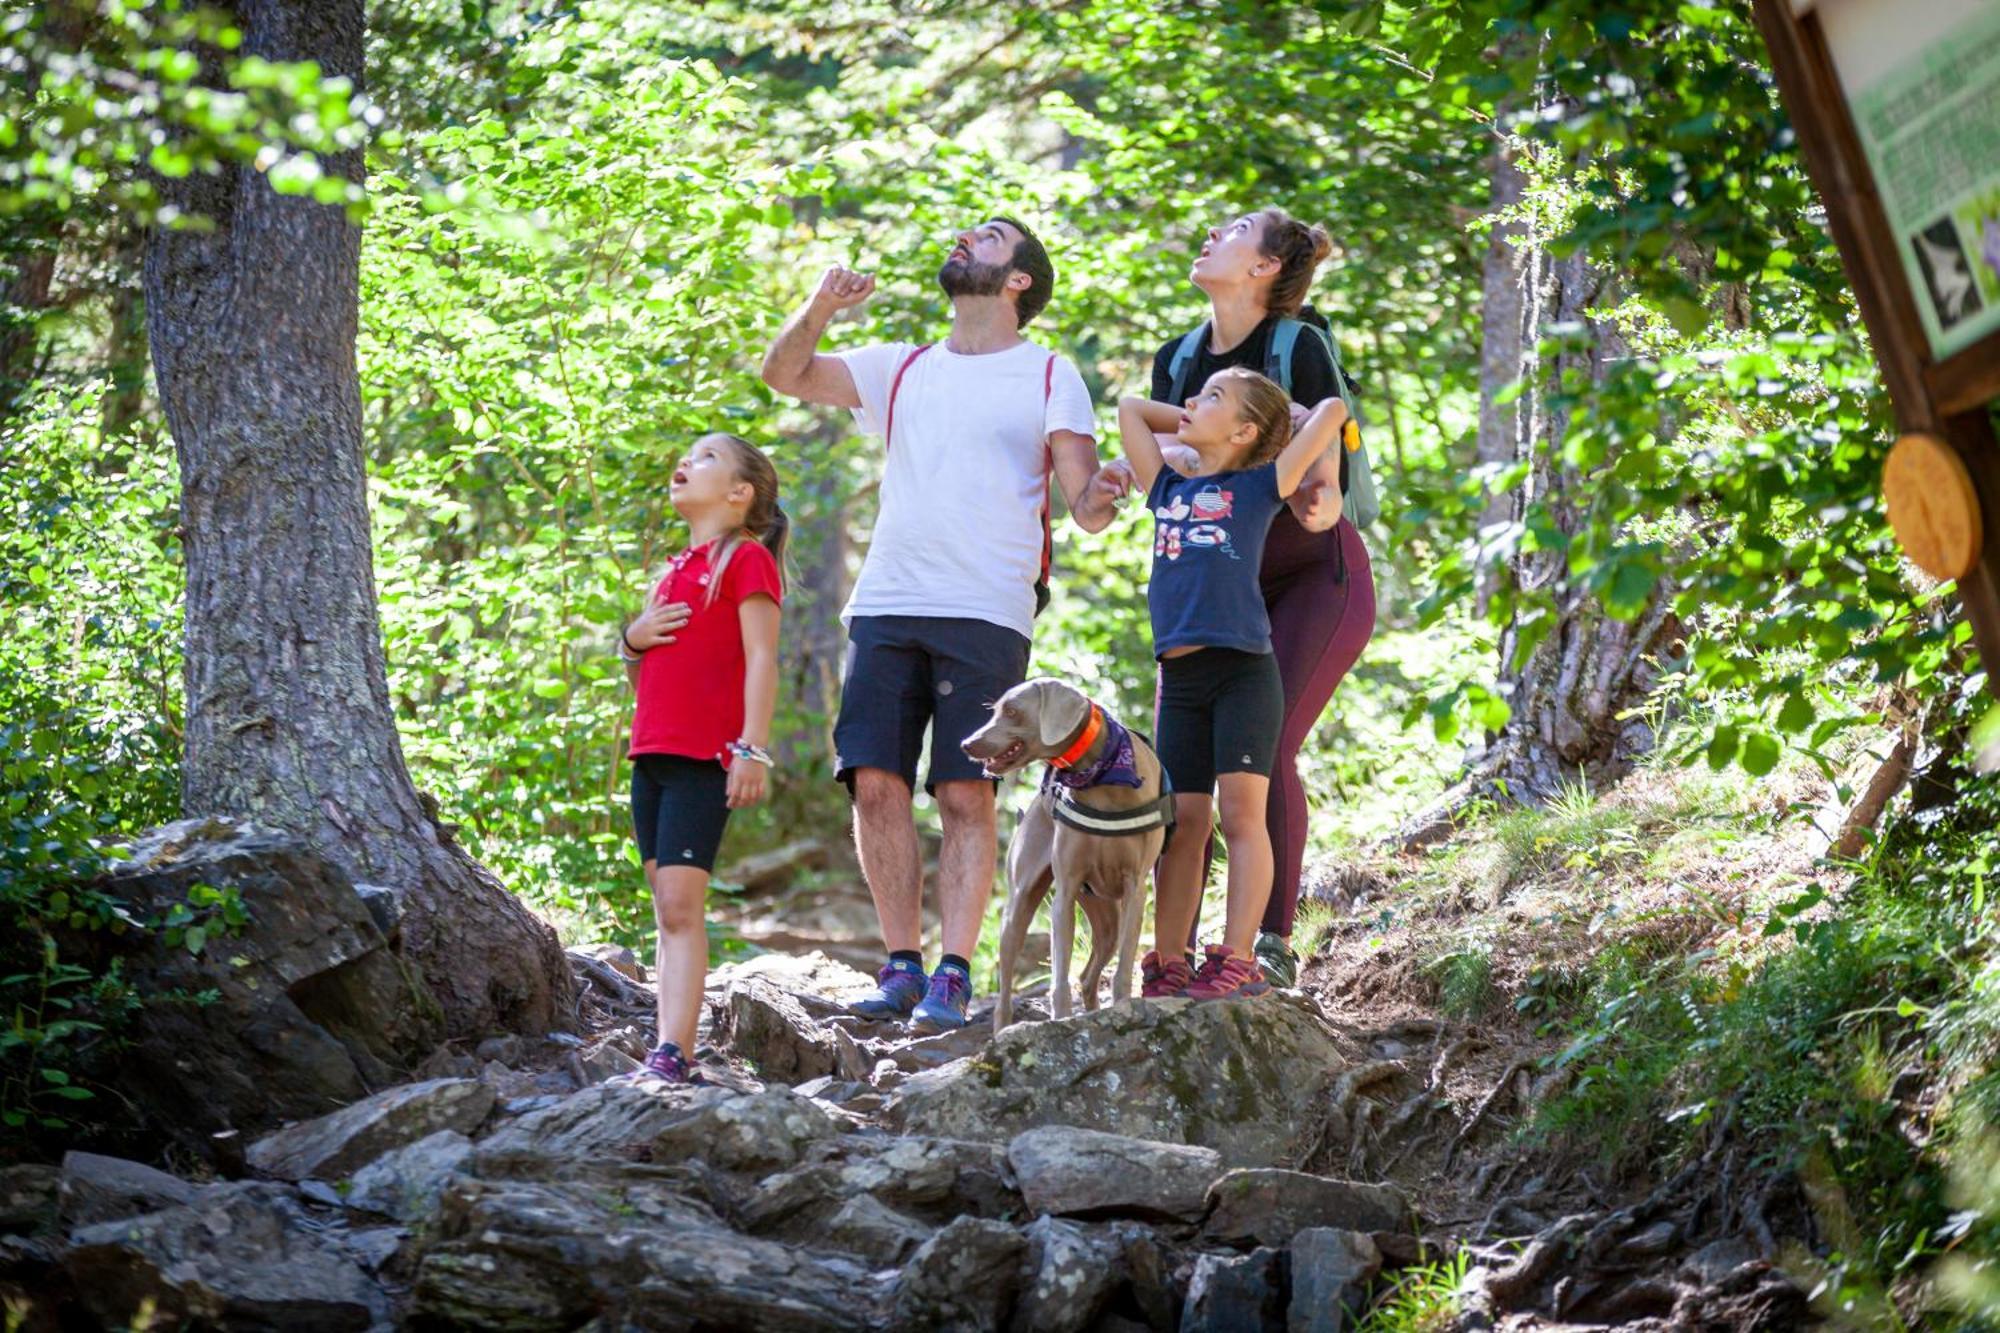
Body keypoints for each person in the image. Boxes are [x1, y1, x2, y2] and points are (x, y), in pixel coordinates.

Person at [760, 219, 1126, 1032]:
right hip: (888, 598)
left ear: (1020, 279)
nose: (965, 239)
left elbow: (1086, 508)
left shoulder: (1050, 374)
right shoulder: (903, 365)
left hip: (988, 607)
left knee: (966, 790)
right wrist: (820, 305)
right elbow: (783, 373)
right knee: (875, 779)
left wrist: (1114, 483)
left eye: (987, 237)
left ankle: (953, 974)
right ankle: (900, 966)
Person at [1142, 207, 1377, 988]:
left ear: (1266, 267)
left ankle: (1263, 947)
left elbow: (1332, 438)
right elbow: (1172, 457)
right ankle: (1172, 954)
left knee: (1265, 751)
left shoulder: (1296, 343)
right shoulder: (1180, 362)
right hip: (1215, 596)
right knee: (1187, 786)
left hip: (1313, 574)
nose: (1209, 233)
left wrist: (1327, 493)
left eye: (1233, 229)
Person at [1115, 370, 1349, 1000]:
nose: (1191, 402)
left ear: (1246, 430)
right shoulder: (1165, 486)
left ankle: (1238, 955)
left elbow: (1331, 409)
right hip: (1182, 679)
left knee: (1243, 817)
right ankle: (1169, 960)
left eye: (1211, 397)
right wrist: (1200, 423)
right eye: (1196, 395)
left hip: (1244, 671)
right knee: (1184, 822)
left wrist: (1287, 421)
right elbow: (1131, 408)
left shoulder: (1259, 485)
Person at [614, 432, 787, 1084]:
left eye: (707, 457)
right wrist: (631, 639)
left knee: (683, 907)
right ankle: (666, 1038)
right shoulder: (674, 569)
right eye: (685, 454)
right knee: (665, 905)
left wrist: (751, 748)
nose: (685, 462)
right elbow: (651, 672)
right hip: (651, 752)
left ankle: (674, 1051)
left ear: (740, 494)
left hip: (702, 757)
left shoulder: (745, 560)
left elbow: (764, 656)